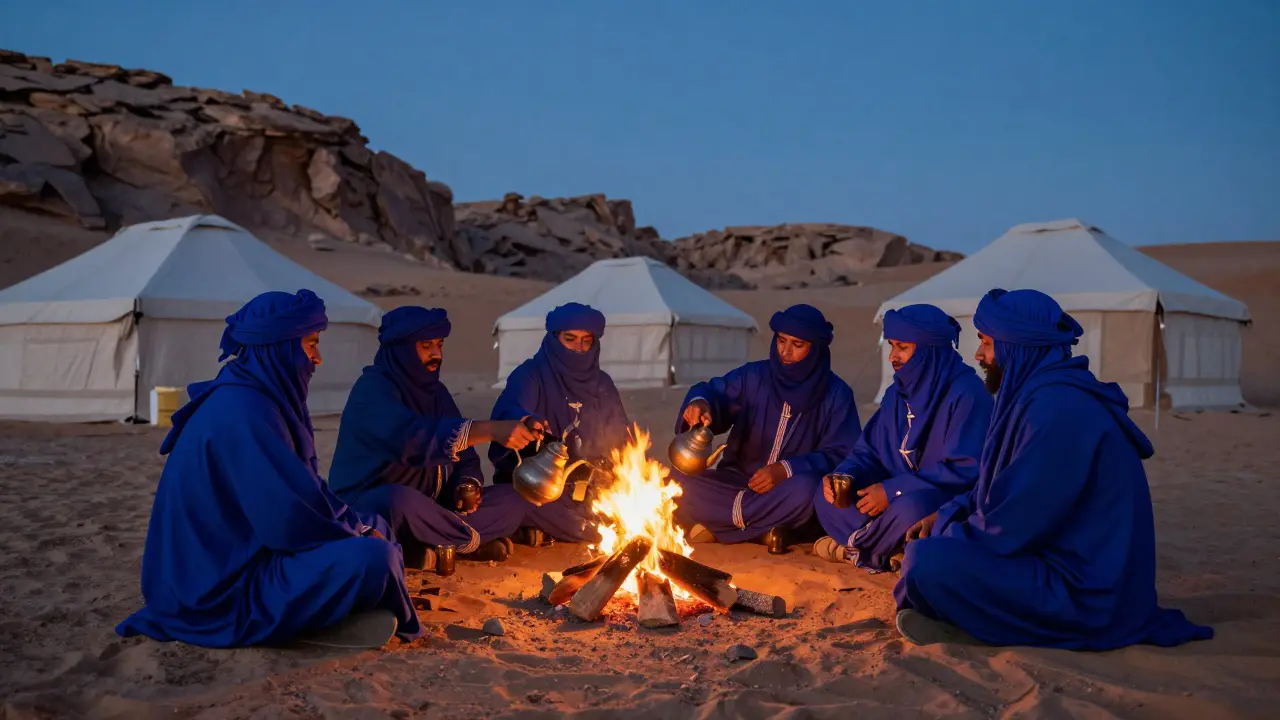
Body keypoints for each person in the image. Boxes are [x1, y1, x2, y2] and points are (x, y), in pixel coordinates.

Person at [893, 288, 1214, 649]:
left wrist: (945, 538)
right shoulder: (1038, 395)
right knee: (930, 549)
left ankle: (976, 626)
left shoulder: (1057, 410)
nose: (978, 354)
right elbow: (1002, 486)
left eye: (986, 342)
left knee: (927, 562)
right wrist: (946, 514)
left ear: (1017, 345)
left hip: (1083, 591)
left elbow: (1011, 523)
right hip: (1051, 556)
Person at [117, 290, 422, 649]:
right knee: (374, 556)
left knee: (375, 523)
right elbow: (289, 521)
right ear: (279, 347)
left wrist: (359, 526)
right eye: (310, 345)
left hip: (245, 553)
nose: (317, 358)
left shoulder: (257, 397)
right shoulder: (246, 412)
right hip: (222, 588)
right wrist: (357, 536)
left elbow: (304, 493)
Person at [328, 307, 547, 568]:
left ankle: (432, 543)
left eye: (439, 345)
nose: (436, 354)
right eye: (425, 346)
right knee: (399, 501)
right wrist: (491, 430)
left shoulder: (436, 392)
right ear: (401, 350)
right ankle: (465, 544)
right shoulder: (372, 390)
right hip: (373, 504)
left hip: (433, 507)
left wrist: (466, 485)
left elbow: (465, 455)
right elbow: (412, 439)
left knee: (512, 498)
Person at [813, 304, 992, 571]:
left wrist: (893, 490)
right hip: (887, 500)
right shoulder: (896, 393)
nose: (892, 357)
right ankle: (890, 549)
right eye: (892, 346)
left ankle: (856, 550)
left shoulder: (967, 394)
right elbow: (869, 451)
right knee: (824, 494)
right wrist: (845, 475)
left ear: (929, 351)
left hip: (936, 497)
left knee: (912, 509)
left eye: (902, 348)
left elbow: (965, 469)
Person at [671, 304, 861, 547]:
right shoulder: (754, 376)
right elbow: (714, 393)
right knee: (675, 480)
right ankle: (764, 532)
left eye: (797, 345)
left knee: (808, 491)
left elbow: (842, 453)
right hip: (735, 481)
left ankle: (719, 527)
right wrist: (700, 404)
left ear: (816, 349)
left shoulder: (837, 395)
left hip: (786, 491)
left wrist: (786, 470)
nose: (785, 351)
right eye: (782, 340)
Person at [488, 302, 630, 544]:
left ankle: (544, 527)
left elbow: (622, 440)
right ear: (555, 339)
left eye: (587, 340)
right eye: (570, 339)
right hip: (540, 488)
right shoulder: (530, 374)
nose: (579, 348)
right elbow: (509, 413)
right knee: (521, 501)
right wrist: (527, 421)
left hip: (590, 492)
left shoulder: (602, 384)